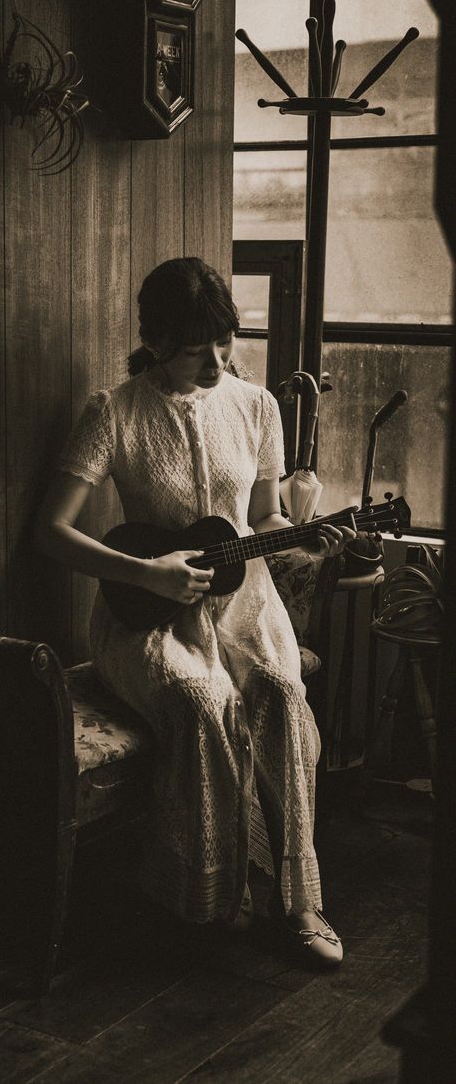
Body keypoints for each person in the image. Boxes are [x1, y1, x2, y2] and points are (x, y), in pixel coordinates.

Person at [35, 257, 356, 967]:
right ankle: (214, 888)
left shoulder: (257, 406)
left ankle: (302, 899)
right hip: (146, 611)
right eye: (193, 347)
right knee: (198, 696)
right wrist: (143, 572)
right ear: (153, 342)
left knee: (274, 689)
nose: (214, 361)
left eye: (223, 341)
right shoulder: (111, 411)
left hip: (244, 602)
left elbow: (265, 515)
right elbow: (49, 531)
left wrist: (307, 537)